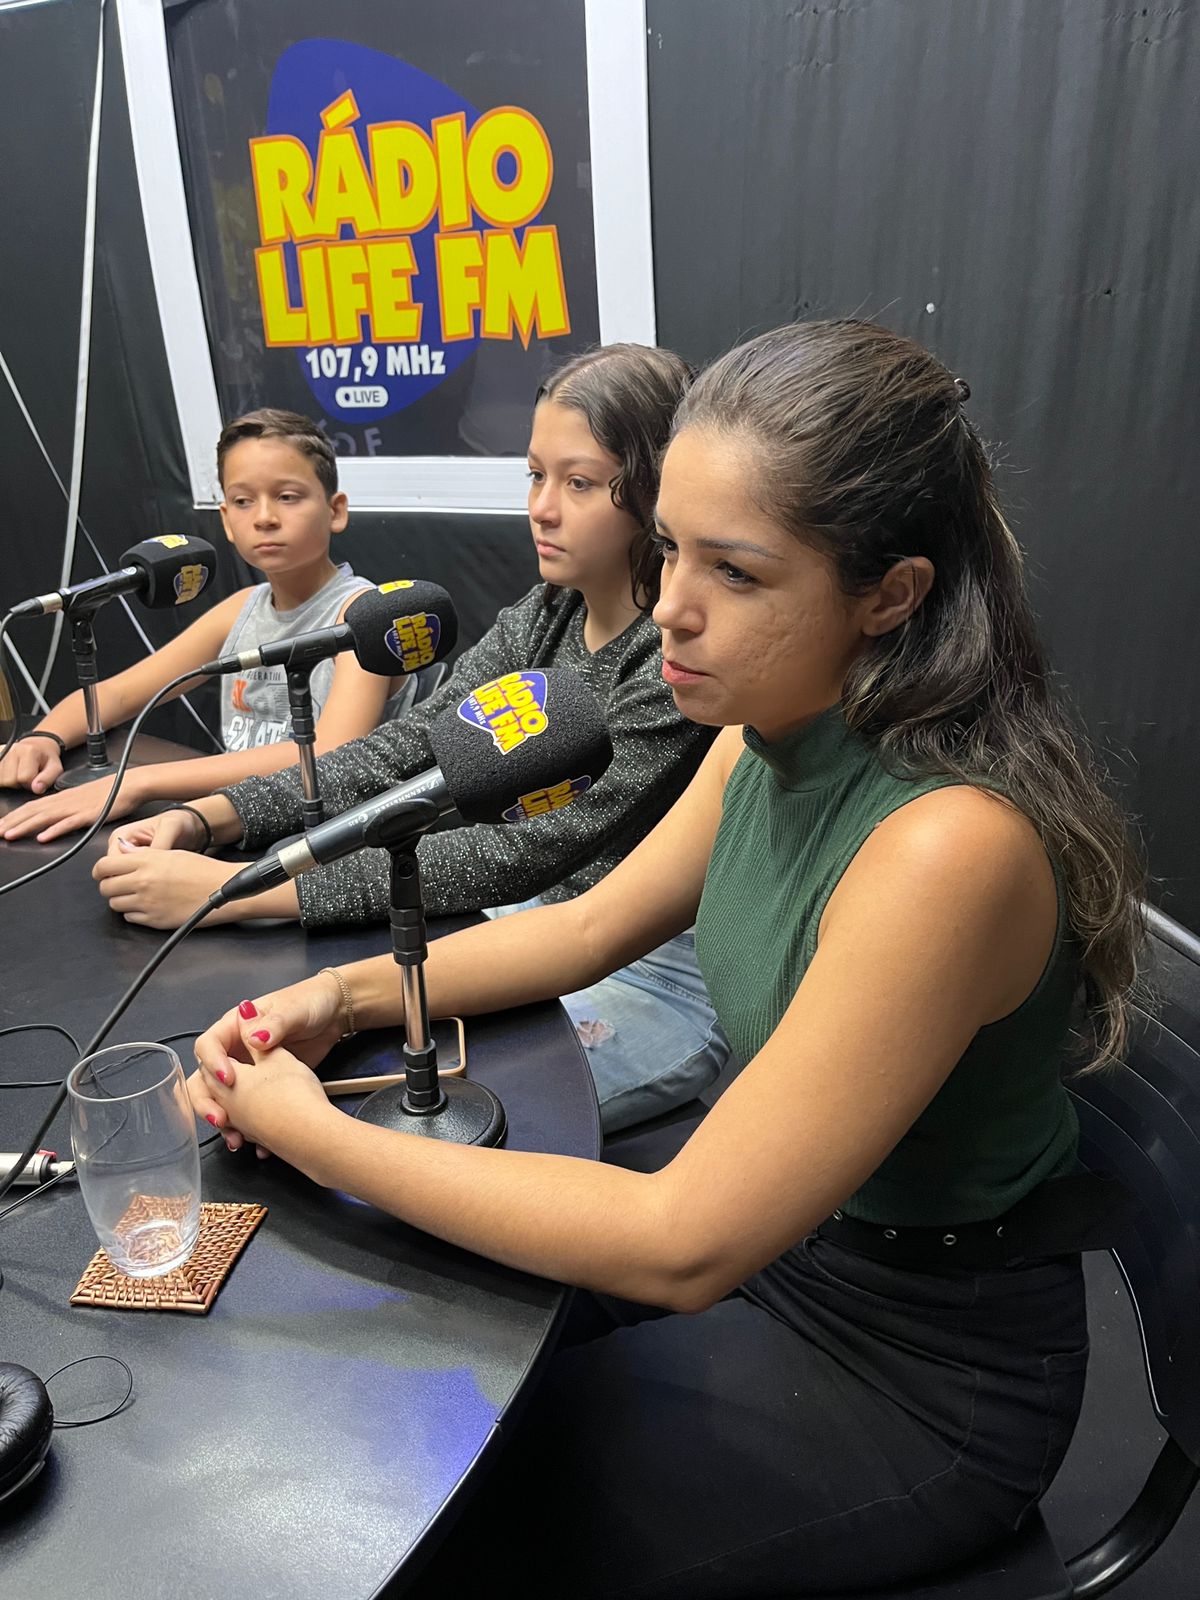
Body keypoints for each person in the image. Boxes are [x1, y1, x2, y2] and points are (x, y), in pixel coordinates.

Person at [187, 320, 1146, 1595]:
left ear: (892, 593)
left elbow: (682, 1240)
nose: (672, 607)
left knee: (446, 1520)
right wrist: (339, 995)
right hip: (795, 1254)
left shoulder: (945, 848)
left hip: (917, 1364)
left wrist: (312, 1131)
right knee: (401, 1358)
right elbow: (589, 930)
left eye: (735, 572)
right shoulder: (763, 728)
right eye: (673, 548)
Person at [97, 344, 728, 1133]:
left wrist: (243, 891)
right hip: (521, 920)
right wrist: (212, 818)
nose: (542, 508)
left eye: (580, 483)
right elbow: (409, 746)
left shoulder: (678, 665)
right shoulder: (545, 615)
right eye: (536, 475)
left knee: (401, 1124)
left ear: (657, 493)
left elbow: (526, 851)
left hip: (652, 976)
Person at [0, 409, 394, 840]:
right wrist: (44, 739)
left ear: (335, 511)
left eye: (287, 496)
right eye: (243, 501)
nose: (264, 517)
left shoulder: (364, 613)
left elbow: (329, 754)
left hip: (331, 838)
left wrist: (140, 782)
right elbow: (119, 694)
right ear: (226, 520)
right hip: (238, 821)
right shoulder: (242, 608)